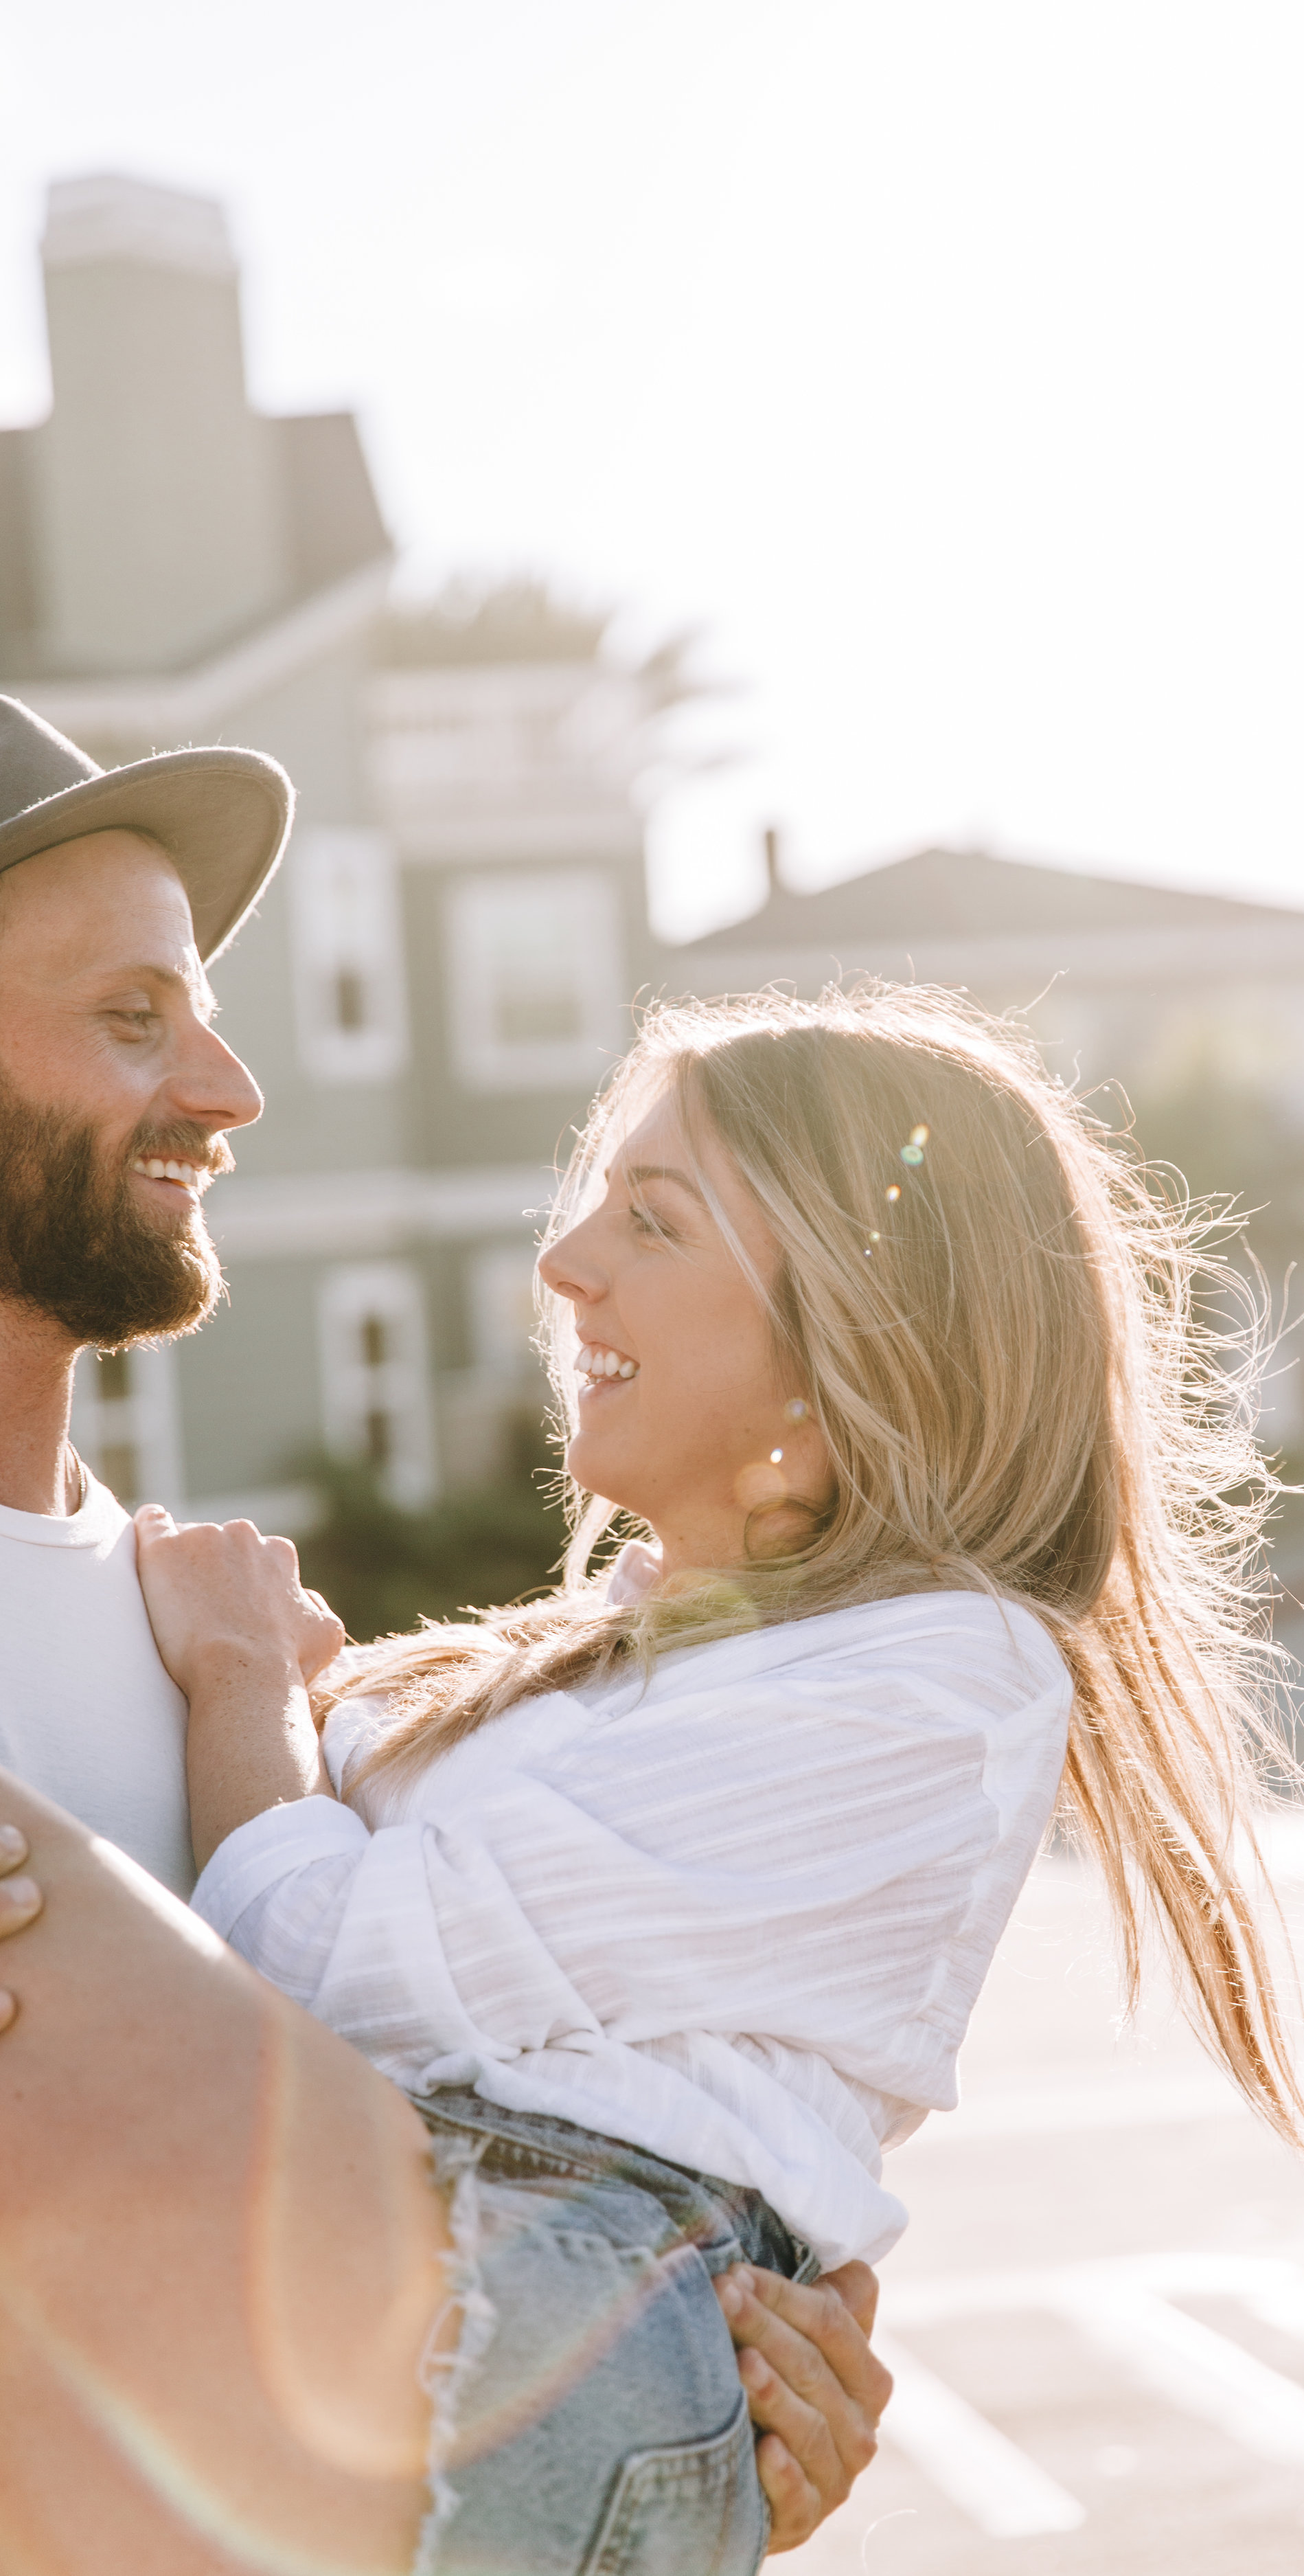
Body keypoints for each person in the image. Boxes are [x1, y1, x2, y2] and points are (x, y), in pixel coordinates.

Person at [121, 982, 1304, 2572]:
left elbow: (327, 1971)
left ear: (848, 1333)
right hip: (467, 2274)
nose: (564, 1266)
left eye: (655, 1221)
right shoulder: (623, 1660)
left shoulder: (939, 1678)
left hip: (521, 2284)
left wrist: (242, 1688)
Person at [0, 695, 889, 2573]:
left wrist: (687, 2401)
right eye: (134, 1015)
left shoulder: (228, 1640)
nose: (232, 1088)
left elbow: (406, 2232)